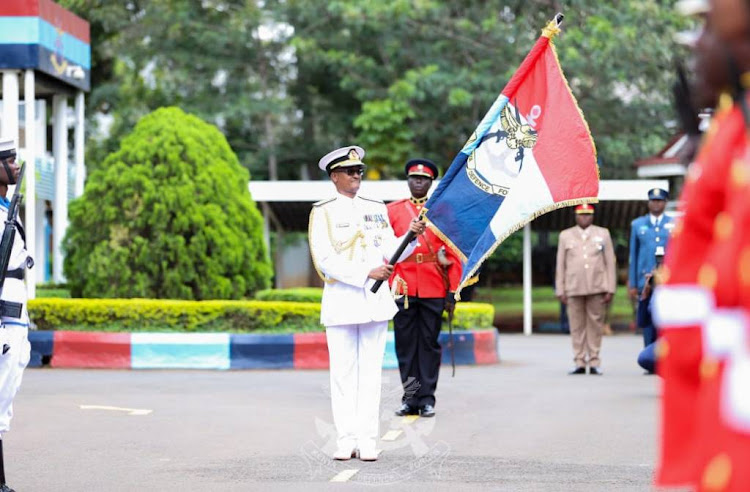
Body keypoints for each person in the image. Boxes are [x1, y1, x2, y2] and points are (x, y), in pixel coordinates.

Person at [308, 145, 425, 462]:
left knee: (371, 376)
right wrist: (366, 273)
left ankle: (368, 439)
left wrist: (411, 237)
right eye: (350, 171)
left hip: (374, 303)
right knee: (343, 376)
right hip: (343, 302)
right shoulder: (323, 212)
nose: (357, 175)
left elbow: (391, 249)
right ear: (335, 177)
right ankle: (345, 439)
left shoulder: (376, 208)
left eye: (359, 170)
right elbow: (325, 260)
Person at [386, 158, 461, 418]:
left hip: (433, 286)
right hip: (403, 286)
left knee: (428, 345)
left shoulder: (443, 212)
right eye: (414, 178)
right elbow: (386, 251)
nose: (418, 182)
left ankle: (427, 398)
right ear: (408, 181)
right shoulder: (393, 211)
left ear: (431, 183)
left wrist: (453, 290)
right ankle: (410, 398)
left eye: (424, 179)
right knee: (405, 346)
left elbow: (454, 252)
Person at [0, 137, 31, 492]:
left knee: (7, 393)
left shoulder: (9, 207)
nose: (16, 166)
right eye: (9, 161)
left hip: (16, 309)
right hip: (4, 314)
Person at [555, 203, 616, 375]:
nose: (585, 217)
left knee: (595, 325)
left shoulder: (603, 234)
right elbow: (561, 264)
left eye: (588, 214)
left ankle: (595, 360)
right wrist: (560, 289)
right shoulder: (565, 235)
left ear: (593, 216)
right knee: (576, 326)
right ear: (576, 216)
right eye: (581, 214)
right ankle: (579, 361)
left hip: (597, 286)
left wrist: (610, 287)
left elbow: (609, 263)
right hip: (573, 287)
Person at [627, 188, 674, 347]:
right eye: (653, 200)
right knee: (647, 319)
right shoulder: (637, 224)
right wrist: (633, 283)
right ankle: (648, 355)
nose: (656, 203)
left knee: (666, 317)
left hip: (667, 279)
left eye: (659, 200)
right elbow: (633, 255)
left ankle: (664, 356)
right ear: (648, 202)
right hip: (645, 280)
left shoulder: (673, 224)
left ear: (665, 203)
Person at [636, 246, 665, 375]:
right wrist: (646, 294)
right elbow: (642, 322)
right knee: (645, 358)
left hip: (685, 339)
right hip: (664, 341)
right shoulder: (656, 290)